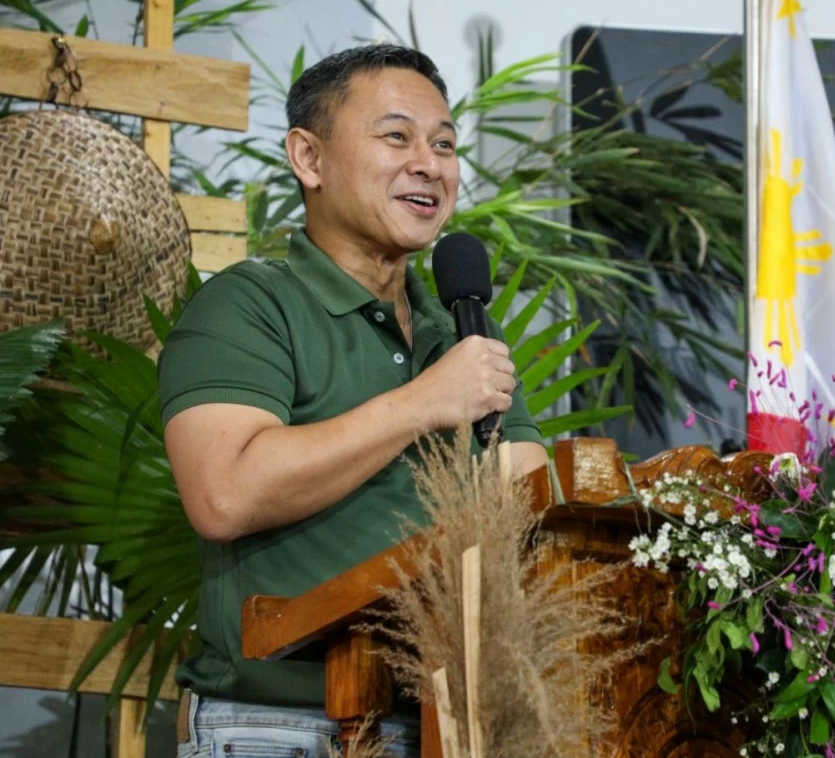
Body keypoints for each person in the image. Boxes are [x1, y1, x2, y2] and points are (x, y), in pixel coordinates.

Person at [159, 43, 547, 757]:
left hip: (450, 729)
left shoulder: (459, 332)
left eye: (444, 144)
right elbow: (222, 493)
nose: (429, 164)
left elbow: (533, 501)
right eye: (396, 136)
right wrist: (421, 403)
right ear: (309, 158)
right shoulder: (249, 305)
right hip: (280, 730)